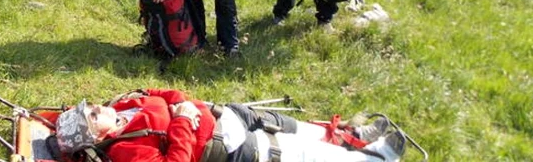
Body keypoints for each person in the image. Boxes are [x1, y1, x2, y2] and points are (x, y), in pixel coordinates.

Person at [55, 88, 408, 162]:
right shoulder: (124, 151)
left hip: (229, 114)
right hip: (232, 147)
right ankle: (374, 159)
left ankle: (349, 137)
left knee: (293, 126)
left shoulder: (123, 106)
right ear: (96, 135)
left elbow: (157, 91)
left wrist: (178, 102)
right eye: (92, 114)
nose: (98, 106)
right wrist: (180, 122)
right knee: (296, 152)